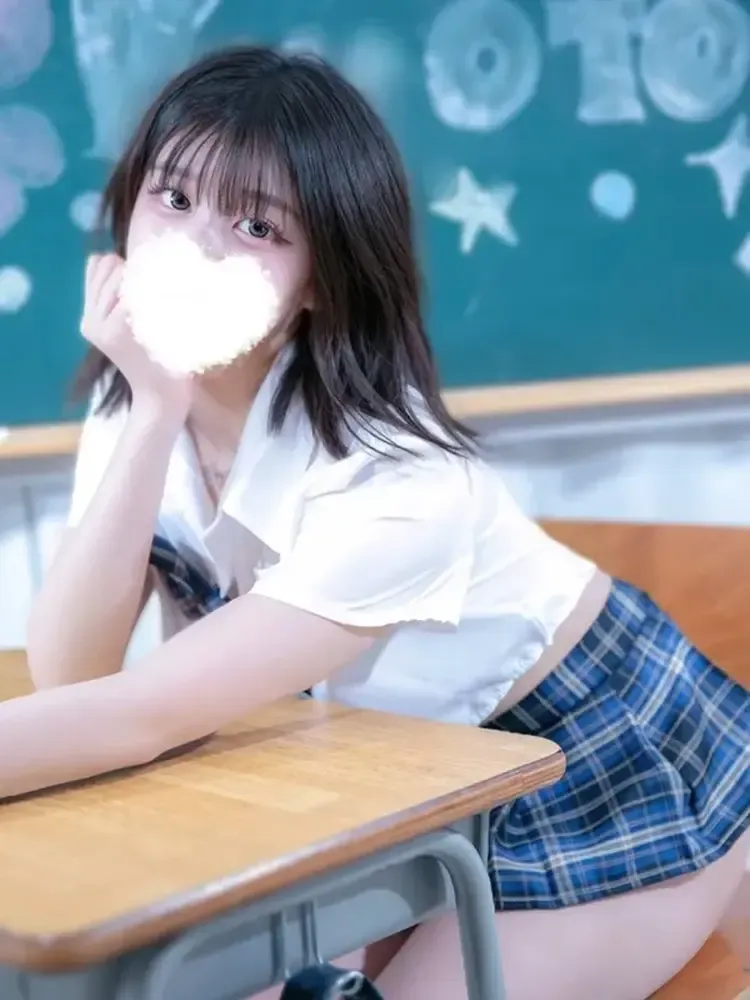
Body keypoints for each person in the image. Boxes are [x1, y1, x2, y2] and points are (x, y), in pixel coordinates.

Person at [19, 45, 750, 1000]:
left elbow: (138, 714)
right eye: (174, 196)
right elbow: (72, 673)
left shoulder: (399, 477)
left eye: (255, 225)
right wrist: (154, 414)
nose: (195, 246)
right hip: (394, 769)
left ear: (322, 278)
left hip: (593, 762)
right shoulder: (138, 401)